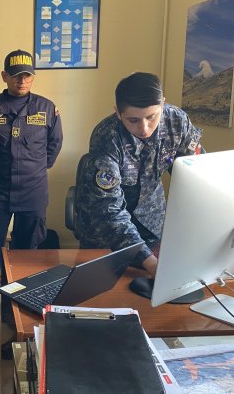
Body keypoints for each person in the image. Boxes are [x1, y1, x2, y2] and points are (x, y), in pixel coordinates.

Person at [74, 72, 203, 277]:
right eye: (133, 120)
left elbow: (195, 174)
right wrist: (150, 263)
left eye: (152, 117)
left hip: (152, 223)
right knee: (106, 291)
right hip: (105, 234)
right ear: (118, 113)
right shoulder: (107, 138)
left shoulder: (177, 123)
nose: (144, 128)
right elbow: (109, 209)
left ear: (163, 104)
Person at [0, 49, 63, 326]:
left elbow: (54, 146)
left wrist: (34, 169)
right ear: (4, 76)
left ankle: (19, 307)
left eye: (27, 76)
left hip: (33, 192)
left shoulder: (47, 108)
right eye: (15, 76)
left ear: (33, 77)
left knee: (27, 253)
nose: (21, 81)